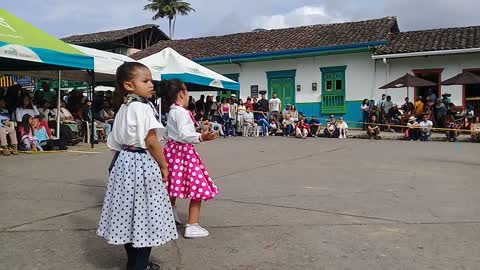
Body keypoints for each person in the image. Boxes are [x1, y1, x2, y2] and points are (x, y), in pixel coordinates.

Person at [97, 62, 177, 270]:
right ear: (129, 85)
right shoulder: (142, 108)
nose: (151, 84)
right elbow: (152, 141)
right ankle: (140, 265)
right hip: (142, 163)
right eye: (145, 81)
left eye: (151, 80)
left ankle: (134, 263)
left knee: (128, 217)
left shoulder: (123, 108)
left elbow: (114, 141)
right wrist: (164, 166)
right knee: (146, 217)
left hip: (123, 162)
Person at [160, 78, 219, 239]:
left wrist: (199, 124)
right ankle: (192, 225)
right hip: (184, 153)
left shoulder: (173, 111)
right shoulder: (182, 112)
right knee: (197, 186)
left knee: (172, 185)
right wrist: (201, 137)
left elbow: (172, 132)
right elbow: (185, 134)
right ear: (182, 93)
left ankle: (169, 214)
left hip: (171, 151)